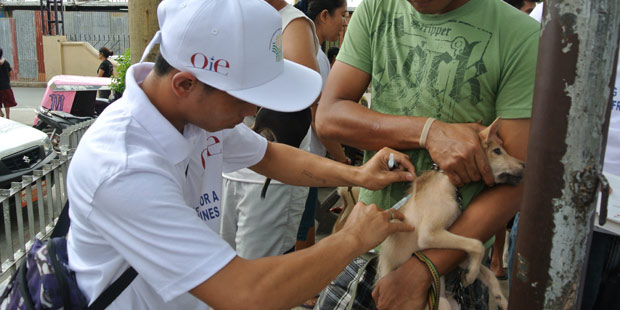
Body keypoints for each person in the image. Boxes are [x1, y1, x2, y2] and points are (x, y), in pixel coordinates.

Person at [66, 0, 416, 309]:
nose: (253, 109)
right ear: (185, 84)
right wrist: (352, 238)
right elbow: (245, 294)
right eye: (243, 96)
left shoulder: (190, 119)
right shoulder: (125, 168)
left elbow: (270, 156)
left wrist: (358, 175)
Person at [314, 0, 539, 309]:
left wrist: (424, 270)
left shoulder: (520, 35)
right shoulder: (378, 8)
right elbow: (329, 116)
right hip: (366, 245)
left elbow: (516, 181)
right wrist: (429, 132)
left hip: (450, 263)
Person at [219, 0, 343, 261]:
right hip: (231, 163)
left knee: (257, 271)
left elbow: (303, 94)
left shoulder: (291, 23)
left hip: (269, 171)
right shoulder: (233, 16)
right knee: (223, 264)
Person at [0, 48, 17, 119]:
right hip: (6, 86)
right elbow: (10, 73)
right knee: (7, 102)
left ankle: (1, 113)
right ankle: (8, 117)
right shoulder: (6, 62)